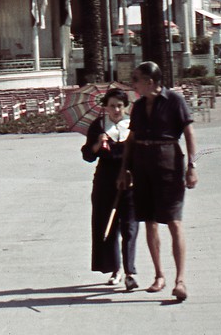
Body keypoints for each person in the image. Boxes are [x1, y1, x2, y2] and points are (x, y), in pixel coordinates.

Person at [121, 61, 198, 302]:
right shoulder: (138, 106)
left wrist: (192, 167)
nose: (133, 83)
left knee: (174, 221)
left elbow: (189, 133)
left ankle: (180, 280)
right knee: (149, 222)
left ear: (150, 82)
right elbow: (131, 140)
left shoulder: (174, 101)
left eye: (136, 79)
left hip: (169, 164)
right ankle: (159, 275)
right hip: (142, 165)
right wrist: (124, 169)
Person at [81, 88, 139, 291]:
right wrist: (98, 144)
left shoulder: (133, 125)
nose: (116, 109)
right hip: (105, 183)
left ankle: (130, 272)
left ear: (125, 107)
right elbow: (88, 155)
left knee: (130, 227)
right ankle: (116, 269)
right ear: (105, 107)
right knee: (109, 228)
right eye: (112, 105)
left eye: (120, 106)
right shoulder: (99, 126)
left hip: (130, 182)